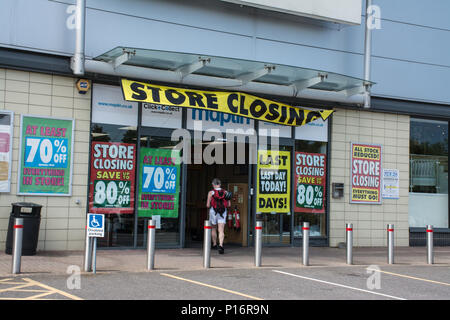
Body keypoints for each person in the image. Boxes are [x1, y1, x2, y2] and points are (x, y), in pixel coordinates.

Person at [206, 178, 230, 254]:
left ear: (213, 184)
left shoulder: (211, 192)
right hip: (223, 212)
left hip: (213, 212)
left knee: (213, 228)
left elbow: (207, 205)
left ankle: (214, 244)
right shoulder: (226, 192)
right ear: (220, 184)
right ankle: (221, 245)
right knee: (221, 230)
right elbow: (229, 205)